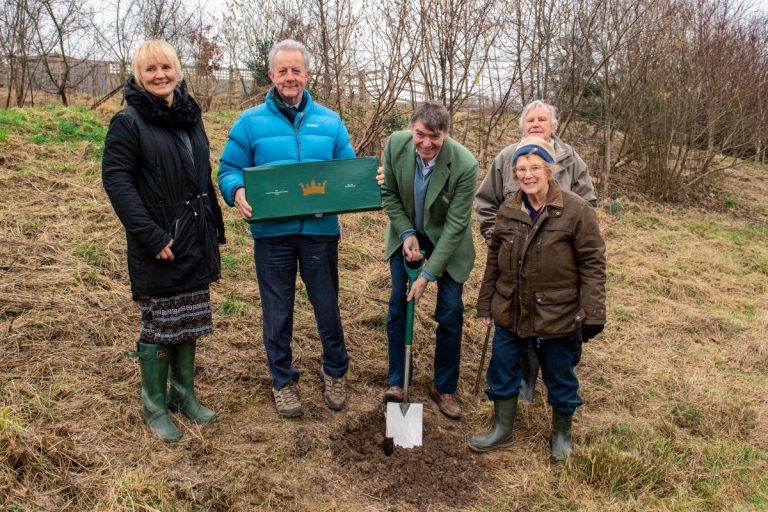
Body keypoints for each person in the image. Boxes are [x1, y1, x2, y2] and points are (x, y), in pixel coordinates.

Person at [217, 39, 354, 418]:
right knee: (277, 312)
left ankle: (336, 370)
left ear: (308, 75)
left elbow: (348, 171)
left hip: (320, 233)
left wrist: (364, 179)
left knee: (327, 306)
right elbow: (227, 169)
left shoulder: (330, 121)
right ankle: (283, 381)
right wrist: (237, 190)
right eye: (283, 71)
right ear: (271, 76)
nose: (290, 77)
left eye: (297, 70)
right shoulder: (249, 122)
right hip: (272, 236)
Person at [102, 40, 226, 442]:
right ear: (139, 75)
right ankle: (153, 405)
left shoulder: (191, 115)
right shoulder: (129, 122)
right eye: (150, 69)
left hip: (195, 233)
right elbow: (117, 183)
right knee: (158, 324)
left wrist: (215, 227)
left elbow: (201, 175)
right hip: (160, 240)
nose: (160, 75)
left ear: (178, 70)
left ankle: (183, 395)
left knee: (189, 318)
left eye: (166, 68)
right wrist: (151, 235)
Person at [468, 136, 606, 460]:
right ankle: (502, 430)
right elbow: (493, 260)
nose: (527, 175)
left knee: (559, 373)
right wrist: (486, 302)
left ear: (549, 170)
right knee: (502, 368)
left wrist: (594, 311)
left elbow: (593, 262)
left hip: (557, 314)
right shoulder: (508, 209)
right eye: (520, 169)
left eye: (534, 168)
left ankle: (561, 436)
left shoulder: (576, 210)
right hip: (511, 307)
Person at [475, 100, 598, 403]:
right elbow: (486, 203)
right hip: (515, 266)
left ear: (553, 126)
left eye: (542, 119)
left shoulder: (571, 159)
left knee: (557, 337)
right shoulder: (506, 158)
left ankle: (557, 394)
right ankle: (521, 390)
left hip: (556, 269)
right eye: (530, 120)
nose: (535, 124)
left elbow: (587, 208)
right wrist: (498, 237)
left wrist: (568, 237)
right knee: (516, 332)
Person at [381, 100, 478, 420]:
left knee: (450, 312)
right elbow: (390, 195)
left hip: (448, 242)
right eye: (421, 134)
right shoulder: (395, 145)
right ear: (412, 130)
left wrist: (427, 275)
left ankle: (444, 387)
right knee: (398, 303)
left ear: (446, 134)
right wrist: (407, 234)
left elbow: (455, 226)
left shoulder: (465, 164)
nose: (426, 143)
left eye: (434, 137)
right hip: (407, 230)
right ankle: (398, 380)